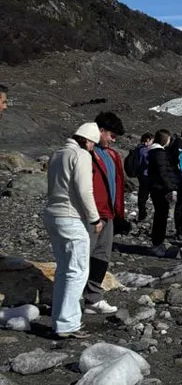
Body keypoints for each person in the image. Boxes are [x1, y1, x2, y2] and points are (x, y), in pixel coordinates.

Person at [43, 122, 103, 339]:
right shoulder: (81, 155)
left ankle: (59, 320)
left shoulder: (58, 154)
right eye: (92, 144)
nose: (92, 148)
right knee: (77, 271)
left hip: (52, 215)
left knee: (63, 270)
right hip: (70, 217)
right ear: (87, 140)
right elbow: (85, 189)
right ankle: (68, 324)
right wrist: (94, 217)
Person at [83, 112, 126, 315]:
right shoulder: (86, 153)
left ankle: (92, 298)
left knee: (101, 256)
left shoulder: (112, 155)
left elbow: (117, 184)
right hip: (91, 213)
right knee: (82, 256)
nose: (113, 139)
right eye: (111, 135)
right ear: (100, 130)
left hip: (107, 213)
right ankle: (72, 299)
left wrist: (119, 214)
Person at [147, 130, 179, 257]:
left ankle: (157, 243)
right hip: (160, 189)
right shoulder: (159, 153)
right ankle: (157, 244)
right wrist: (170, 187)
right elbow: (163, 172)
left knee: (160, 215)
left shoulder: (153, 152)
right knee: (161, 216)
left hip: (155, 187)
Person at [136, 132, 154, 222]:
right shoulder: (144, 150)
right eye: (152, 141)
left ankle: (142, 214)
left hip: (142, 175)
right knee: (143, 197)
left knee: (142, 196)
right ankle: (142, 215)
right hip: (146, 175)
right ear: (147, 140)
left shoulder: (139, 149)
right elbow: (148, 162)